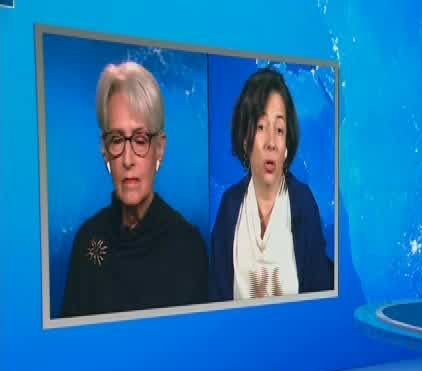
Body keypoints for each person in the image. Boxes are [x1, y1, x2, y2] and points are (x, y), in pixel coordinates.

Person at [62, 62, 208, 317]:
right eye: (117, 140)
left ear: (159, 149)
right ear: (105, 151)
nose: (128, 159)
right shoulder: (88, 240)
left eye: (140, 140)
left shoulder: (188, 247)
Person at [209, 67, 333, 301]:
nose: (271, 143)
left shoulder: (303, 203)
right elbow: (215, 299)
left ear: (286, 145)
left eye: (279, 130)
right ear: (245, 140)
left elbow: (319, 302)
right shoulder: (230, 207)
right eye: (260, 127)